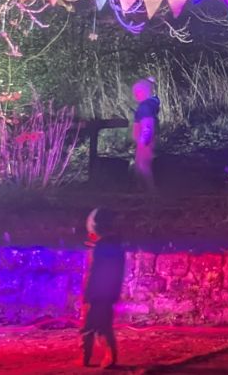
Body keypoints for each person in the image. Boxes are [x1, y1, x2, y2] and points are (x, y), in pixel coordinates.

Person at [81, 207, 126, 368]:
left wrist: (89, 294)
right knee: (96, 324)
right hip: (105, 293)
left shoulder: (104, 246)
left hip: (99, 293)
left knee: (98, 325)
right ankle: (88, 357)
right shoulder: (115, 245)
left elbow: (96, 272)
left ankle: (106, 357)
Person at [131, 78, 159, 192]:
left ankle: (151, 192)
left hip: (144, 141)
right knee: (139, 165)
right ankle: (141, 190)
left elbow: (148, 125)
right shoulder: (146, 106)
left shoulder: (145, 107)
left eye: (137, 92)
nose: (135, 95)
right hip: (142, 141)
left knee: (143, 166)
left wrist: (143, 141)